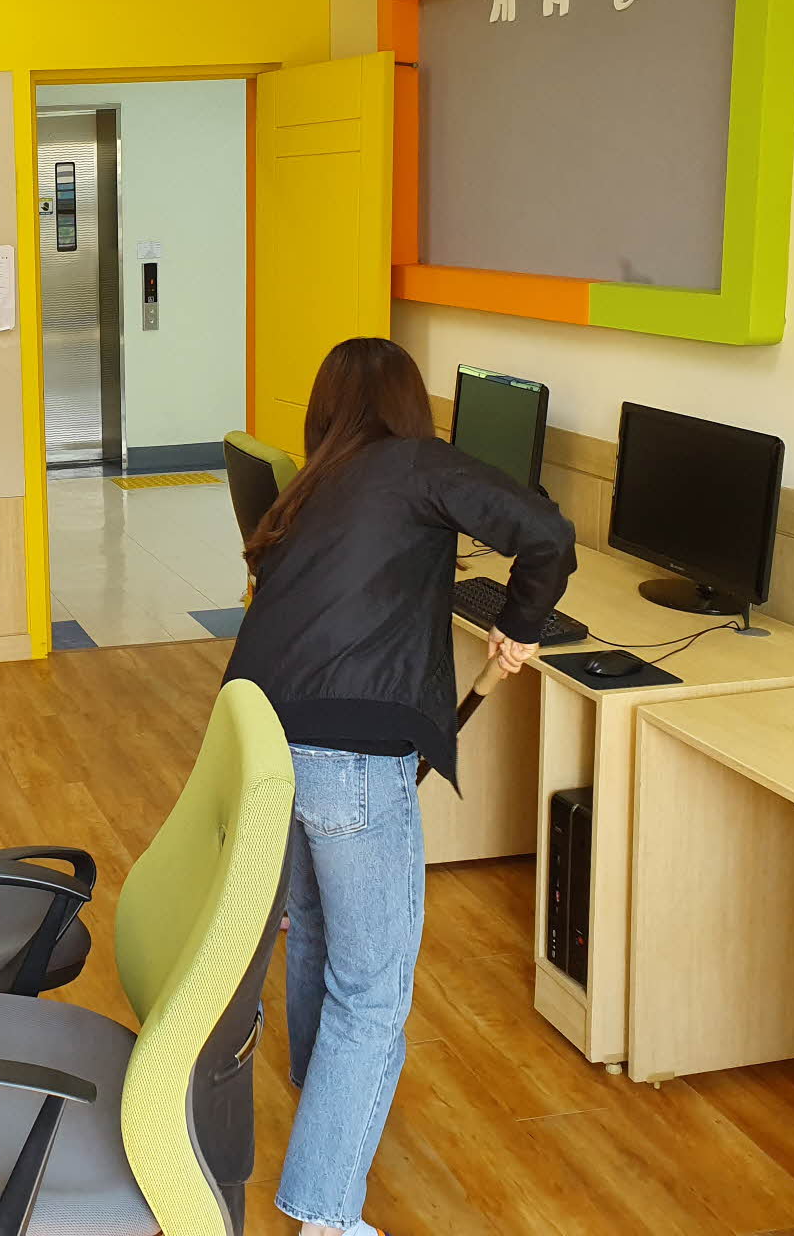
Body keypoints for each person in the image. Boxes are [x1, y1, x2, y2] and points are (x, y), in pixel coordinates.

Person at [225, 337, 575, 1236]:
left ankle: (324, 1098)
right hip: (346, 756)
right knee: (373, 992)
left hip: (262, 742)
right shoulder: (417, 464)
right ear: (411, 406)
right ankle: (327, 1214)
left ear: (327, 410)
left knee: (314, 931)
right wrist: (522, 623)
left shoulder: (313, 485)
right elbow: (547, 533)